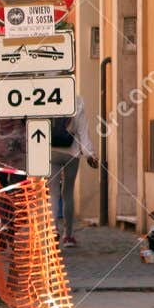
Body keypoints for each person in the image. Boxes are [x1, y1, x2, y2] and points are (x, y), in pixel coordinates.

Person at [48, 95, 99, 248]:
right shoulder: (76, 100)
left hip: (51, 150)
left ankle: (53, 230)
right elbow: (83, 131)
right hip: (72, 152)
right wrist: (90, 153)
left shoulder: (44, 96)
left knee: (53, 192)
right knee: (68, 192)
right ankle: (68, 235)